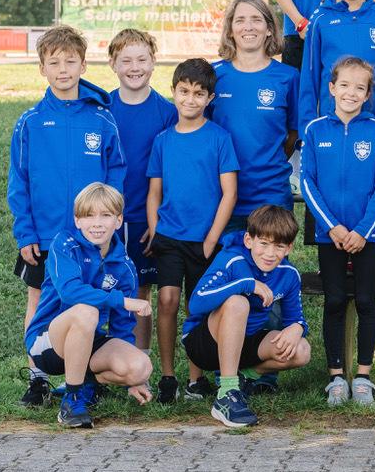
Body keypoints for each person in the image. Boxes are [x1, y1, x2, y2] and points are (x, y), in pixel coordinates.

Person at [9, 24, 126, 407]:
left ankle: (87, 377)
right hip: (44, 235)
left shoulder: (101, 119)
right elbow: (19, 181)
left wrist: (109, 225)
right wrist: (26, 232)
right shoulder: (29, 122)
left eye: (70, 62)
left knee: (92, 303)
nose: (63, 69)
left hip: (91, 236)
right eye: (54, 62)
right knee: (39, 300)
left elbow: (116, 174)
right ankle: (38, 377)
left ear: (83, 65)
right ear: (42, 68)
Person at [300, 56, 375, 406]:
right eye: (345, 85)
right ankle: (336, 377)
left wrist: (362, 231)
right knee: (335, 300)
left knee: (367, 300)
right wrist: (334, 227)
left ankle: (364, 377)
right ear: (332, 88)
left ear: (368, 94)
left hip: (365, 235)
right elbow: (307, 182)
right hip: (331, 235)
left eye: (359, 87)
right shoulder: (315, 130)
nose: (351, 93)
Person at [146, 58, 240, 404]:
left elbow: (229, 192)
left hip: (204, 240)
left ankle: (196, 377)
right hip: (170, 237)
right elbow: (154, 192)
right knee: (168, 300)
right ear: (173, 93)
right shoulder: (163, 141)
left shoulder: (219, 138)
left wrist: (212, 238)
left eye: (198, 94)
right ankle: (168, 377)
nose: (190, 99)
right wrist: (156, 231)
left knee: (197, 307)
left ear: (210, 98)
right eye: (183, 91)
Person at [24, 183, 153, 428]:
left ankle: (86, 383)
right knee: (86, 310)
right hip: (48, 342)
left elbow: (123, 324)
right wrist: (122, 300)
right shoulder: (64, 244)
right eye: (89, 215)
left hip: (89, 339)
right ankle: (72, 400)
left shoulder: (124, 265)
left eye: (105, 215)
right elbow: (70, 291)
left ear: (118, 220)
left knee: (140, 368)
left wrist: (131, 380)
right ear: (77, 220)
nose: (97, 223)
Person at [181, 205, 311, 428]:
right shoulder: (232, 259)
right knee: (238, 303)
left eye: (279, 246)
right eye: (264, 244)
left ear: (289, 248)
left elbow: (295, 319)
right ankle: (226, 394)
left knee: (301, 350)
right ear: (249, 240)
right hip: (205, 344)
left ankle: (243, 377)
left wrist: (298, 328)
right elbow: (197, 302)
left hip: (246, 343)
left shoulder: (288, 275)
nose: (270, 254)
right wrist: (245, 285)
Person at [107, 28, 176, 354]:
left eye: (142, 59)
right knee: (101, 286)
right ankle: (96, 365)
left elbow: (171, 172)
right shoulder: (102, 109)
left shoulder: (166, 112)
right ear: (112, 64)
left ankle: (140, 362)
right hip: (106, 219)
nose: (134, 67)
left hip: (147, 218)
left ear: (153, 62)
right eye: (126, 60)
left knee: (140, 291)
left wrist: (157, 220)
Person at [210, 0, 299, 229]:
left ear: (269, 29)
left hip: (271, 196)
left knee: (270, 264)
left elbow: (292, 134)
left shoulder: (288, 77)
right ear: (230, 30)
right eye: (240, 20)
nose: (248, 27)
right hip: (221, 195)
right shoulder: (213, 75)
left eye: (256, 20)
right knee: (225, 264)